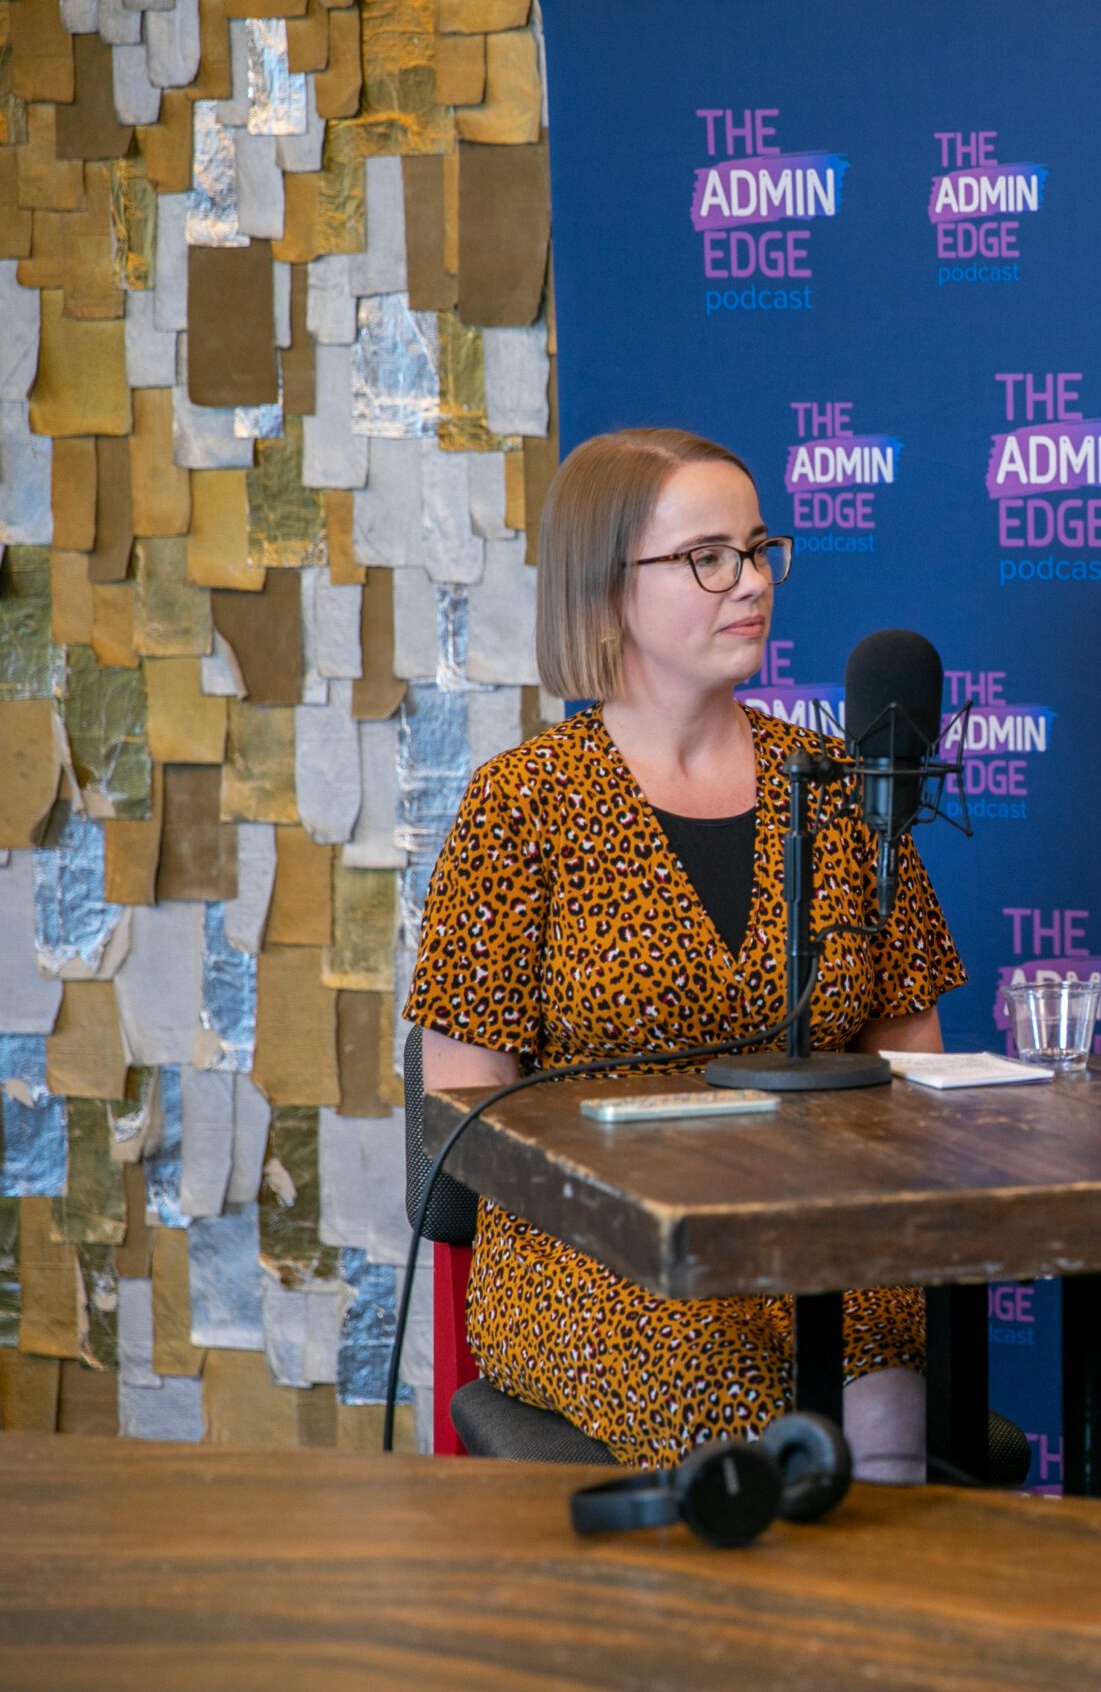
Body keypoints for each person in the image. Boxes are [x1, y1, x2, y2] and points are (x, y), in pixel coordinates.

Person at [405, 428, 966, 1479]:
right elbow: (463, 1106)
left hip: (817, 1233)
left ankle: (874, 1634)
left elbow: (918, 1061)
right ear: (606, 587)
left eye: (758, 550)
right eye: (708, 557)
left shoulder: (837, 784)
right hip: (601, 1255)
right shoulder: (520, 804)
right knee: (723, 1369)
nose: (751, 582)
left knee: (889, 1376)